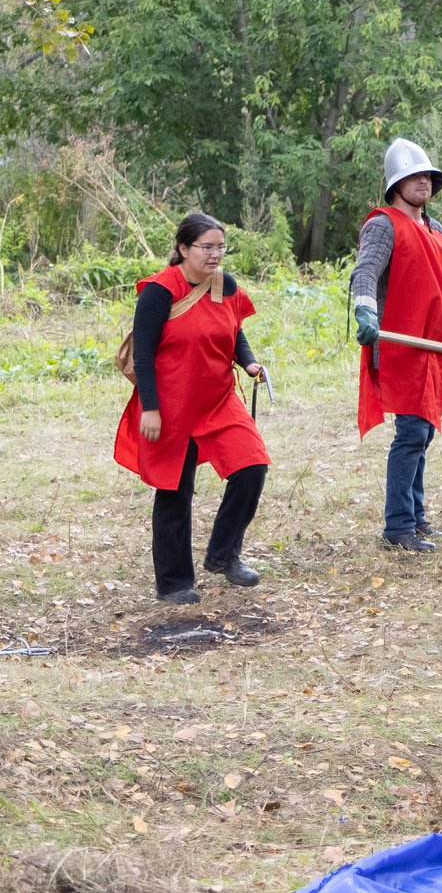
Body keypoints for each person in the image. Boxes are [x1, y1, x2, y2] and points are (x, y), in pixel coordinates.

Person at [351, 138, 442, 553]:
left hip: (436, 349)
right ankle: (398, 528)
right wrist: (365, 311)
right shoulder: (382, 225)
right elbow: (365, 273)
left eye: (428, 177)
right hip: (401, 346)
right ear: (395, 184)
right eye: (413, 176)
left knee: (423, 432)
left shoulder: (437, 230)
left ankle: (415, 520)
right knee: (412, 433)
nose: (423, 182)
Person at [114, 213, 270, 605]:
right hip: (171, 404)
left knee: (253, 466)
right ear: (183, 248)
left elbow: (235, 330)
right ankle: (173, 582)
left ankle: (223, 554)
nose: (215, 255)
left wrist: (248, 362)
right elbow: (144, 352)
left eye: (221, 247)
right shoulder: (160, 290)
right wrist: (151, 408)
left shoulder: (225, 285)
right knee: (174, 490)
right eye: (207, 247)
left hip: (218, 399)